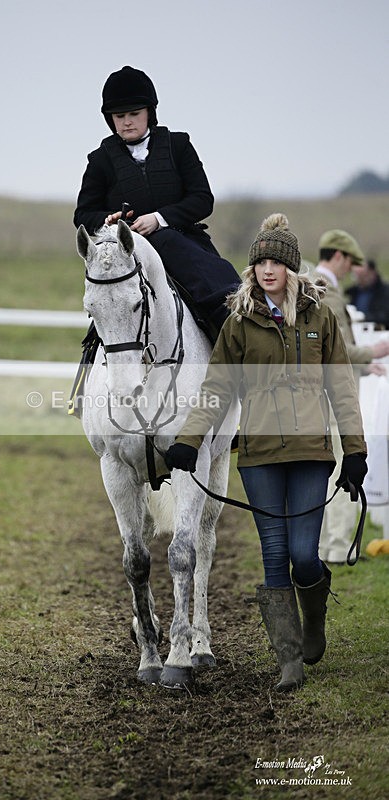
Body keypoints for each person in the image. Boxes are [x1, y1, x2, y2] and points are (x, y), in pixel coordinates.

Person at [164, 213, 367, 692]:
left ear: (292, 268)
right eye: (261, 262)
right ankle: (289, 660)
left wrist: (354, 452)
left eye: (277, 262)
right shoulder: (237, 322)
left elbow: (342, 388)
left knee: (304, 555)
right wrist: (189, 442)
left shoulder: (320, 317)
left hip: (311, 453)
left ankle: (313, 620)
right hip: (258, 457)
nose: (268, 270)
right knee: (273, 555)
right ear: (252, 268)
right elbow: (215, 388)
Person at [73, 65, 241, 341]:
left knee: (220, 293)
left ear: (149, 112)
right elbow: (83, 214)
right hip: (127, 252)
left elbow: (202, 199)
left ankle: (237, 334)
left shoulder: (179, 146)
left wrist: (159, 219)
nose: (127, 121)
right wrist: (109, 219)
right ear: (110, 119)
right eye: (119, 116)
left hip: (184, 243)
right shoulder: (99, 159)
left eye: (134, 114)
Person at [313, 231, 389, 564]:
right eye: (350, 263)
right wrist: (372, 351)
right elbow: (338, 348)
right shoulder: (325, 289)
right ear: (340, 257)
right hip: (335, 393)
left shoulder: (312, 283)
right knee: (344, 467)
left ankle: (325, 545)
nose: (350, 270)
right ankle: (338, 546)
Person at [345, 258, 389, 330]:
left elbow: (385, 316)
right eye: (356, 276)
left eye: (363, 275)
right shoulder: (353, 293)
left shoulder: (385, 292)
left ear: (372, 273)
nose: (360, 280)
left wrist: (364, 317)